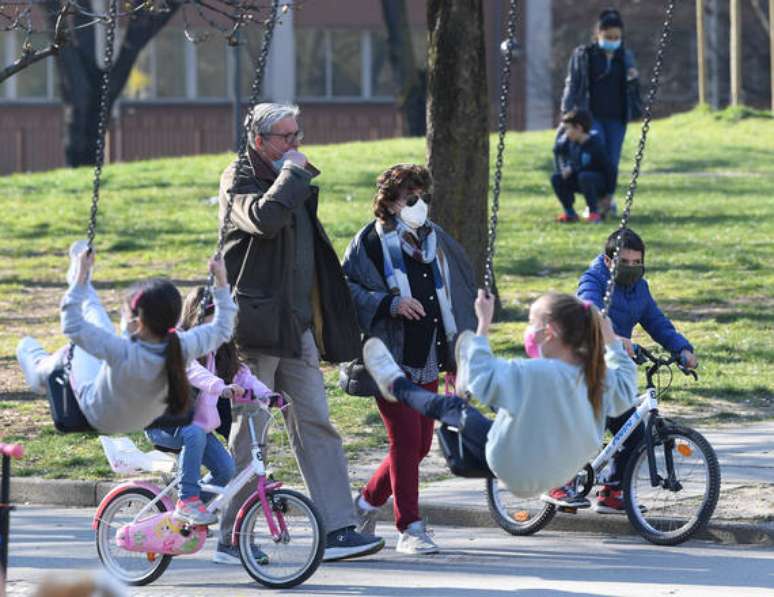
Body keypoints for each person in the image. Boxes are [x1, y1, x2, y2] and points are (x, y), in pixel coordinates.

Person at [217, 102, 384, 563]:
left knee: (317, 424)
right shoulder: (239, 178)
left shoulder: (289, 177)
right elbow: (264, 221)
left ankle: (338, 529)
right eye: (286, 137)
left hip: (296, 329)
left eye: (297, 135)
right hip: (254, 331)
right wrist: (292, 175)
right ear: (259, 140)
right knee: (252, 434)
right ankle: (231, 537)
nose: (295, 145)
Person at [361, 290, 639, 500]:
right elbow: (627, 389)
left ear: (549, 332)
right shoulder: (598, 376)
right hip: (565, 472)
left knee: (452, 407)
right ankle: (469, 366)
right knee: (513, 402)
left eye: (532, 323)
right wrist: (611, 341)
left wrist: (482, 325)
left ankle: (396, 384)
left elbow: (484, 381)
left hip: (511, 465)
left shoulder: (533, 373)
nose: (528, 330)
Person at [341, 164, 476, 554]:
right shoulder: (369, 242)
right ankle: (410, 528)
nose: (419, 205)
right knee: (403, 441)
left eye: (423, 197)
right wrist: (391, 303)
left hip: (428, 355)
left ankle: (366, 502)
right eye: (410, 197)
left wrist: (455, 358)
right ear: (391, 200)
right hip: (389, 359)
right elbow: (347, 290)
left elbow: (455, 296)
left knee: (418, 447)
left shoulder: (436, 240)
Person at [15, 241, 236, 434]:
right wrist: (221, 281)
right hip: (142, 418)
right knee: (102, 330)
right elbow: (223, 328)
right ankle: (83, 284)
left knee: (58, 349)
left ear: (136, 322)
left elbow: (72, 325)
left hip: (99, 415)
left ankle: (36, 369)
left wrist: (80, 279)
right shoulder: (183, 345)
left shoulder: (121, 351)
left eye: (123, 313)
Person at [574, 227, 697, 513]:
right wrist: (616, 339)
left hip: (613, 370)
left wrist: (682, 349)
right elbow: (589, 312)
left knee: (633, 433)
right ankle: (560, 481)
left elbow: (656, 321)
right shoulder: (593, 280)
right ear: (609, 261)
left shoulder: (640, 288)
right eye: (624, 262)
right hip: (583, 363)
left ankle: (612, 493)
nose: (631, 268)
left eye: (636, 263)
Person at [145, 287, 274, 539]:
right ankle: (187, 501)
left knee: (225, 469)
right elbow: (192, 371)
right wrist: (221, 387)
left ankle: (185, 512)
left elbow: (242, 374)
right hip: (163, 422)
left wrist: (267, 394)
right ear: (196, 316)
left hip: (195, 426)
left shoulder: (220, 348)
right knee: (193, 432)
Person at [560, 8, 641, 218]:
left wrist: (633, 79)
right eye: (608, 37)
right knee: (595, 155)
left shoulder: (625, 56)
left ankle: (607, 199)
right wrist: (567, 111)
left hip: (616, 118)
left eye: (617, 38)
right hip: (591, 116)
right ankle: (593, 202)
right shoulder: (584, 55)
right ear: (598, 34)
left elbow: (633, 87)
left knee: (611, 161)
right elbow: (573, 84)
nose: (613, 41)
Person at [552, 109, 613, 223]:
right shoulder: (571, 143)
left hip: (597, 183)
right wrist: (562, 142)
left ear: (579, 128)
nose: (566, 133)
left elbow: (610, 170)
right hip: (581, 180)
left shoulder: (596, 145)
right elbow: (557, 150)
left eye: (568, 129)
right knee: (557, 178)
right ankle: (570, 213)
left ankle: (594, 213)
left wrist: (609, 194)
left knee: (584, 176)